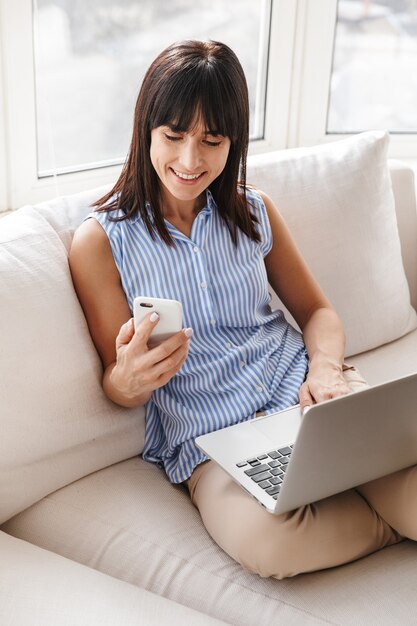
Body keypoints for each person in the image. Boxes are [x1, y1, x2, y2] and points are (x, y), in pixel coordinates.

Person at [69, 39, 417, 580]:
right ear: (145, 130)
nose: (190, 160)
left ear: (234, 141)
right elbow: (118, 384)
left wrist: (325, 373)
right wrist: (130, 381)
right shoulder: (99, 243)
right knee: (273, 546)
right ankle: (387, 523)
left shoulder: (254, 211)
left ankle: (378, 499)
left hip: (306, 395)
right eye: (174, 136)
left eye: (212, 140)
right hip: (211, 441)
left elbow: (318, 312)